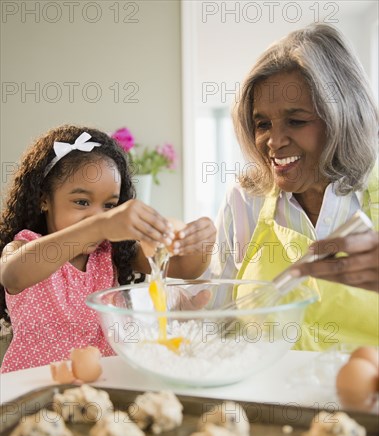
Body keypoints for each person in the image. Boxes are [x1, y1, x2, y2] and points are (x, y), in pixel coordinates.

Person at [210, 23, 378, 350]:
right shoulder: (246, 200)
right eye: (262, 124)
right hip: (264, 399)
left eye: (296, 121)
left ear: (342, 117)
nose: (273, 141)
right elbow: (218, 320)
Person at [0, 125, 216, 371]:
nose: (97, 215)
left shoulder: (109, 252)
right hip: (30, 393)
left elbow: (186, 268)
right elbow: (12, 274)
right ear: (44, 199)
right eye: (82, 202)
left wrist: (202, 240)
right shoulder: (24, 246)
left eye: (109, 205)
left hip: (102, 388)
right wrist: (101, 225)